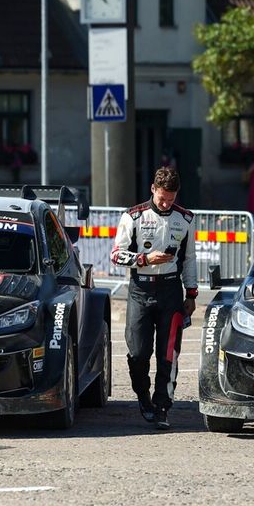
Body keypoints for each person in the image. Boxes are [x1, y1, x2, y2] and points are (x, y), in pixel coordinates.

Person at [110, 167, 198, 430]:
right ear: (153, 189)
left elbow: (190, 259)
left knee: (168, 354)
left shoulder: (186, 219)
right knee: (138, 353)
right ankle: (143, 395)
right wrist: (144, 259)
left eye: (171, 199)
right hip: (140, 290)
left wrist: (192, 293)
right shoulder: (133, 216)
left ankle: (162, 407)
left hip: (171, 292)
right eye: (162, 198)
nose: (166, 203)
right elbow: (115, 255)